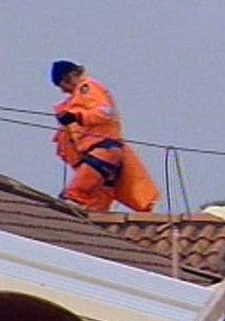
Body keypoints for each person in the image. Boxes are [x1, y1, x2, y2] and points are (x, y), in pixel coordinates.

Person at [51, 60, 158, 212]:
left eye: (63, 86)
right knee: (96, 206)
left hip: (102, 152)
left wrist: (77, 116)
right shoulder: (79, 96)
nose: (64, 91)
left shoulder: (87, 88)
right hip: (104, 155)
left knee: (74, 193)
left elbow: (104, 112)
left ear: (69, 77)